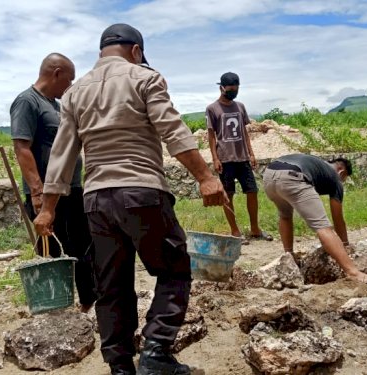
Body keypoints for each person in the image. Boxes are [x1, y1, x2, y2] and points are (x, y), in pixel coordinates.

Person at [33, 24, 226, 375]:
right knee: (174, 270)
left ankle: (120, 367)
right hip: (142, 191)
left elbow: (61, 155)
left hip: (96, 201)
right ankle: (156, 351)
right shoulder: (145, 79)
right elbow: (173, 130)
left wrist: (47, 209)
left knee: (111, 286)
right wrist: (206, 177)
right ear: (136, 51)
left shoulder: (75, 94)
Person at [10, 53, 97, 313]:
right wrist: (37, 191)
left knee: (82, 245)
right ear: (56, 73)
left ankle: (87, 302)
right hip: (47, 194)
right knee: (54, 249)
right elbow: (21, 147)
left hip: (71, 189)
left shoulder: (56, 106)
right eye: (68, 80)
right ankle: (55, 307)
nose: (69, 87)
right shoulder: (27, 102)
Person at [262, 154, 367, 283]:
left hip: (269, 175)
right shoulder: (335, 177)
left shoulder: (318, 165)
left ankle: (289, 258)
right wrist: (346, 245)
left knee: (285, 216)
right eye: (344, 179)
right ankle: (353, 273)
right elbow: (337, 218)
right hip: (293, 176)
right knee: (323, 227)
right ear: (342, 172)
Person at [206, 72, 271, 245]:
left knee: (252, 191)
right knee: (228, 195)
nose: (234, 92)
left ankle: (255, 229)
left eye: (236, 89)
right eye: (231, 90)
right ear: (222, 88)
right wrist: (215, 158)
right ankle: (235, 232)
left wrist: (251, 153)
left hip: (242, 157)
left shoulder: (240, 107)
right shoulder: (212, 109)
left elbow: (244, 132)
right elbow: (211, 136)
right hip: (225, 159)